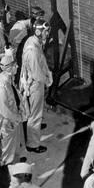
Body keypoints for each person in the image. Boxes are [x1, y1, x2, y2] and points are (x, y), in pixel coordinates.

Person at [20, 18, 53, 153]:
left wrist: (48, 73)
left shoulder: (33, 41)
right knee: (34, 114)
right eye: (46, 31)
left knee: (35, 112)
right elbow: (37, 74)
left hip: (36, 82)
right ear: (39, 32)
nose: (47, 34)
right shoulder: (32, 50)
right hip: (35, 85)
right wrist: (46, 80)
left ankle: (35, 127)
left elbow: (42, 61)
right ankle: (33, 144)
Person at [0, 48, 26, 166]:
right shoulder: (1, 88)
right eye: (15, 65)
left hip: (12, 120)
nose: (17, 67)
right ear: (8, 68)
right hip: (6, 123)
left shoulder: (8, 79)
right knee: (8, 152)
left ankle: (15, 163)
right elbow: (4, 111)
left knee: (15, 146)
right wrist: (18, 117)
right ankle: (11, 173)